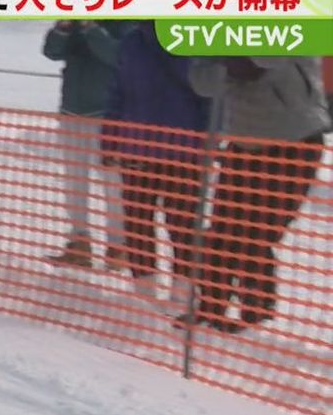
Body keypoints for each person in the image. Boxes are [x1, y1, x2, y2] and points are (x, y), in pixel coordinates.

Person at [183, 56, 330, 333]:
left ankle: (257, 316)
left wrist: (240, 57)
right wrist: (225, 64)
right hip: (243, 141)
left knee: (259, 233)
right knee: (221, 231)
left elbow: (269, 59)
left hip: (294, 139)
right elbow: (201, 82)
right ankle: (211, 308)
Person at [101, 21, 209, 310]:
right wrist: (110, 137)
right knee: (140, 223)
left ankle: (178, 293)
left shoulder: (193, 41)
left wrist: (210, 140)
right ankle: (147, 294)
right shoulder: (132, 41)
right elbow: (118, 91)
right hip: (146, 148)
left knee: (179, 225)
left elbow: (207, 93)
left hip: (177, 151)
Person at [43, 20, 130, 269]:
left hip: (106, 113)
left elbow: (119, 56)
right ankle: (79, 240)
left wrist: (93, 30)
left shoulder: (124, 22)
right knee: (74, 181)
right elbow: (51, 51)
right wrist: (62, 28)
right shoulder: (75, 23)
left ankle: (118, 246)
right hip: (72, 109)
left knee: (112, 182)